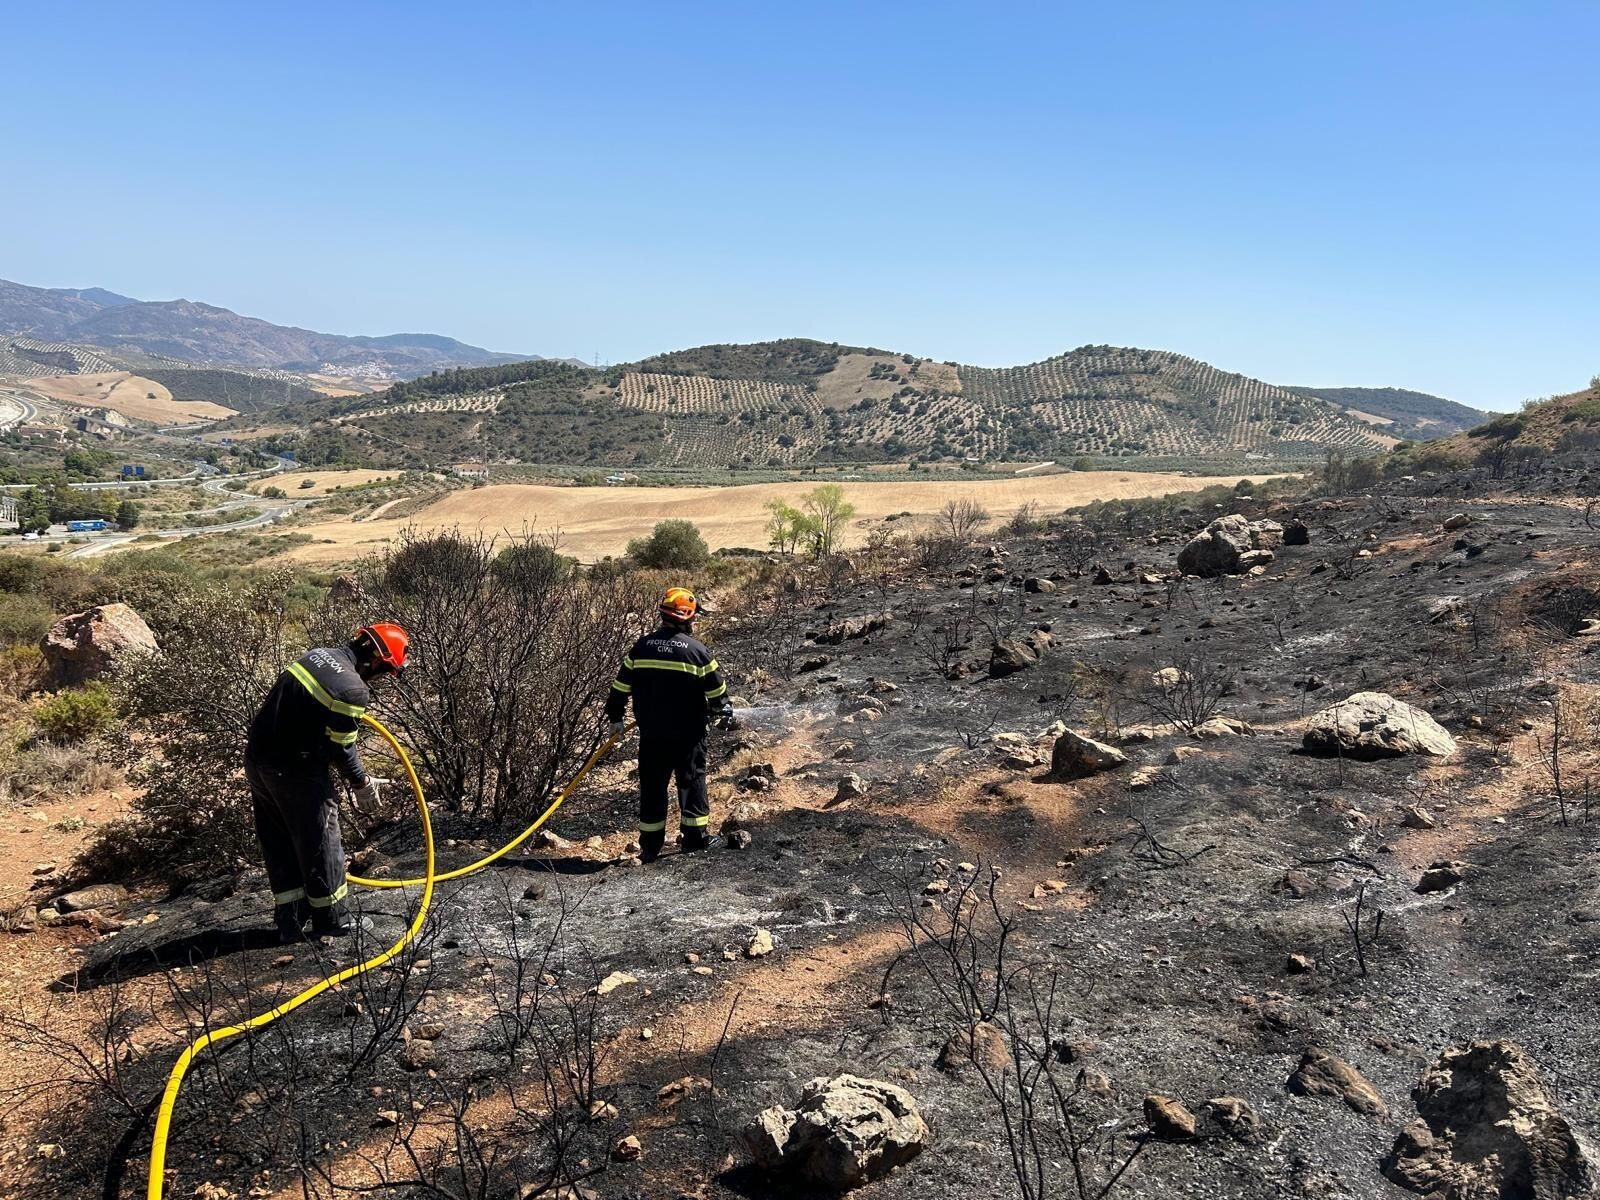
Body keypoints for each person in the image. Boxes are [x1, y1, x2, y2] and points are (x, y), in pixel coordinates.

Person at [245, 623, 409, 940]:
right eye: (385, 669)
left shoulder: (317, 655)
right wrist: (361, 783)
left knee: (279, 841)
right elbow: (341, 747)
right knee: (322, 841)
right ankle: (333, 919)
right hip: (295, 770)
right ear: (375, 657)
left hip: (258, 762)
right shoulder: (352, 688)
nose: (380, 676)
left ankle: (290, 921)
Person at [605, 587, 733, 862]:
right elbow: (717, 693)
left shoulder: (640, 647)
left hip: (652, 735)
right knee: (691, 782)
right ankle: (695, 839)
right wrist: (722, 711)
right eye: (694, 617)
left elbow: (620, 687)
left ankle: (650, 847)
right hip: (688, 736)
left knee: (653, 787)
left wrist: (615, 717)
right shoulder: (698, 652)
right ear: (686, 617)